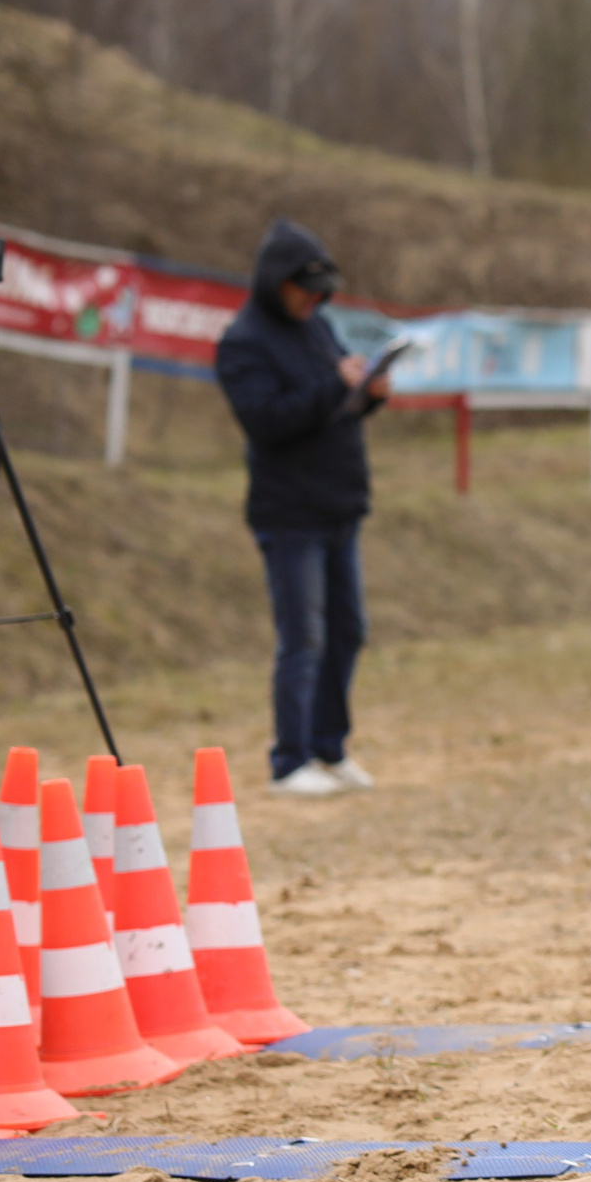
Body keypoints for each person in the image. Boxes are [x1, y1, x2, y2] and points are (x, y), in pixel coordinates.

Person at [213, 219, 391, 799]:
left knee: (348, 632)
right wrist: (333, 388)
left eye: (321, 293)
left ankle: (328, 747)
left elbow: (335, 405)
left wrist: (366, 397)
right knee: (303, 638)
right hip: (289, 513)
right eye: (304, 289)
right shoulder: (242, 342)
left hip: (340, 503)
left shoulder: (319, 327)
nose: (313, 301)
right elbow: (266, 421)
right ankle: (288, 760)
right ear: (275, 282)